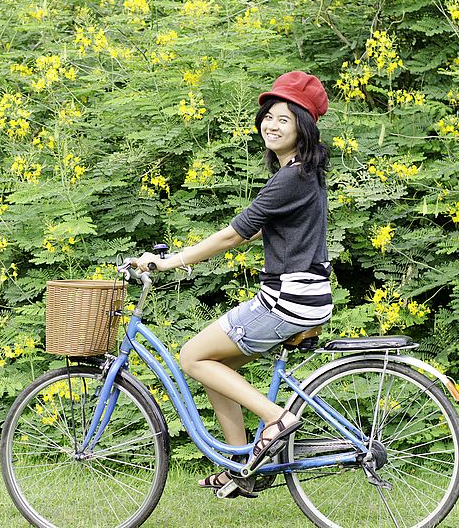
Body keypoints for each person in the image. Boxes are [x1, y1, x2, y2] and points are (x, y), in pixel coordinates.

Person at [134, 71, 333, 495]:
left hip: (287, 298)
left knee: (191, 357)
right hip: (307, 295)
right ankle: (243, 466)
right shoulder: (304, 175)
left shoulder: (291, 177)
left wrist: (170, 262)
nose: (271, 125)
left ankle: (277, 419)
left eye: (283, 118)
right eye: (267, 117)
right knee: (215, 369)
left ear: (304, 126)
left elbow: (233, 234)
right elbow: (261, 228)